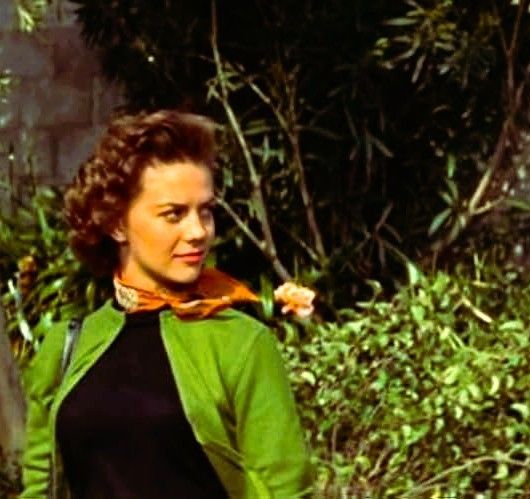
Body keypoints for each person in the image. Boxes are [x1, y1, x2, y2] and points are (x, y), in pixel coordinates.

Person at [20, 110, 312, 498]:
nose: (198, 232)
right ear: (117, 223)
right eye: (174, 214)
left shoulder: (242, 345)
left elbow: (287, 489)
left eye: (205, 211)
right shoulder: (66, 347)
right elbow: (39, 486)